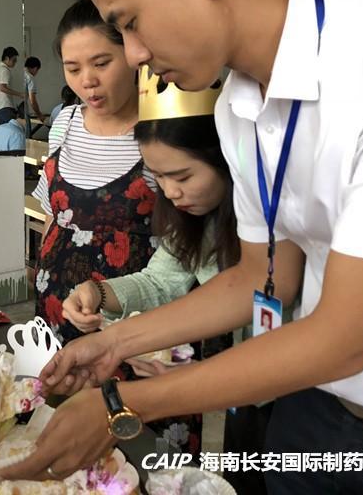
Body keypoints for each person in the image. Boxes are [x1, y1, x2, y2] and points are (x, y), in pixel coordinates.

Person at [3, 0, 363, 491]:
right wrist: (115, 343)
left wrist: (123, 404)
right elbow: (261, 277)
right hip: (313, 410)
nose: (135, 54)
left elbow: (349, 337)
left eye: (130, 22)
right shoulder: (237, 107)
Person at [62, 81, 245, 461]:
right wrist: (98, 292)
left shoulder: (267, 225)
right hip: (244, 392)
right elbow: (160, 281)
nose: (171, 192)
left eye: (182, 177)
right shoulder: (197, 220)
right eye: (158, 177)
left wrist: (199, 377)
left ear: (225, 158)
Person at [32, 0, 158, 345]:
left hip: (126, 323)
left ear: (133, 54)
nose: (87, 81)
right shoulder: (65, 122)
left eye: (101, 63)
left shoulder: (160, 130)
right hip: (53, 310)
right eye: (73, 69)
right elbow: (52, 216)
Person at [0, 46, 23, 124]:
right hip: (4, 105)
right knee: (12, 127)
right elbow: (2, 88)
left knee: (4, 128)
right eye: (14, 60)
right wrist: (20, 94)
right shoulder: (4, 70)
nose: (15, 63)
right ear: (7, 58)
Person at [17, 56, 44, 128]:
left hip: (11, 105)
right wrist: (39, 115)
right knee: (25, 130)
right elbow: (33, 100)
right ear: (35, 68)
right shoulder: (30, 77)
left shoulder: (19, 73)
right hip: (20, 107)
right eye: (37, 70)